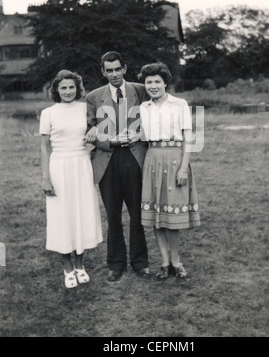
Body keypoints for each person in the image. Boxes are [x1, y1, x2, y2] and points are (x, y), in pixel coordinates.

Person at [85, 51, 150, 282]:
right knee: (113, 215)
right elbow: (88, 132)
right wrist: (111, 140)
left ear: (125, 68)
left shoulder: (141, 90)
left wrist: (139, 134)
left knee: (137, 213)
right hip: (107, 160)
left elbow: (155, 118)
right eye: (109, 70)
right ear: (103, 72)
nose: (114, 74)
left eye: (117, 69)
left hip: (135, 157)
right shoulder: (93, 97)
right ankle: (115, 263)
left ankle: (140, 262)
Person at [40, 70, 103, 289]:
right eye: (63, 87)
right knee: (62, 216)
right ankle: (67, 268)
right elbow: (44, 148)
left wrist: (94, 131)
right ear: (56, 90)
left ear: (78, 88)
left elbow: (101, 132)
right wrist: (45, 178)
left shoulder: (86, 109)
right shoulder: (48, 113)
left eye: (72, 87)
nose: (68, 91)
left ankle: (80, 266)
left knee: (81, 213)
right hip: (59, 166)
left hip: (81, 164)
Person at [138, 62, 200, 280]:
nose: (153, 86)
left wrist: (183, 167)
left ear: (165, 82)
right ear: (144, 84)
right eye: (149, 82)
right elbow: (138, 138)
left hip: (175, 160)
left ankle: (176, 261)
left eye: (157, 81)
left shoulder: (179, 104)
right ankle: (164, 263)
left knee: (172, 215)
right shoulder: (143, 108)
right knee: (157, 214)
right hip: (152, 159)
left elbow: (188, 138)